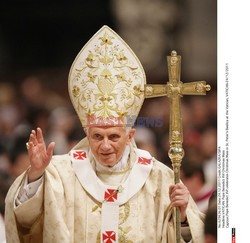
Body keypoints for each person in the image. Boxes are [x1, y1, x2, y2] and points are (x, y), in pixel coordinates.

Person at [5, 25, 204, 243]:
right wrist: (35, 175)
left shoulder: (158, 177)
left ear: (130, 136)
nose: (105, 145)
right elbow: (26, 223)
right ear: (86, 133)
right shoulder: (60, 174)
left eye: (114, 137)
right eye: (97, 137)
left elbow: (185, 236)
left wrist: (183, 216)